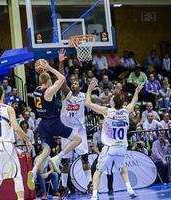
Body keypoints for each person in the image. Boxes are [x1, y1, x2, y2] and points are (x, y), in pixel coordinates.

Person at [27, 58, 82, 191]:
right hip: (53, 123)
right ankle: (58, 157)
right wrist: (50, 68)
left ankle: (34, 171)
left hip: (43, 124)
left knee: (46, 150)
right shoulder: (48, 91)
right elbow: (62, 78)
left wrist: (43, 70)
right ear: (48, 81)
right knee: (77, 139)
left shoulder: (36, 90)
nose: (53, 81)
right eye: (50, 80)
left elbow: (50, 80)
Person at [86, 79, 143, 200]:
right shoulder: (126, 111)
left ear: (113, 102)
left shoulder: (107, 111)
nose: (110, 99)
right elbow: (134, 101)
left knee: (98, 171)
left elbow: (88, 103)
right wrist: (137, 91)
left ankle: (94, 196)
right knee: (122, 168)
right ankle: (130, 190)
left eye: (111, 99)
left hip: (109, 148)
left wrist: (89, 89)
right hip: (122, 147)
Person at [58, 49, 92, 194]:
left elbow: (100, 100)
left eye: (76, 83)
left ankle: (90, 183)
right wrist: (61, 62)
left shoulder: (84, 96)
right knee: (64, 161)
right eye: (71, 83)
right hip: (66, 129)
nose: (73, 84)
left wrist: (111, 96)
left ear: (80, 85)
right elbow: (61, 79)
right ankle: (64, 187)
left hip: (79, 129)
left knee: (84, 158)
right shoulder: (67, 93)